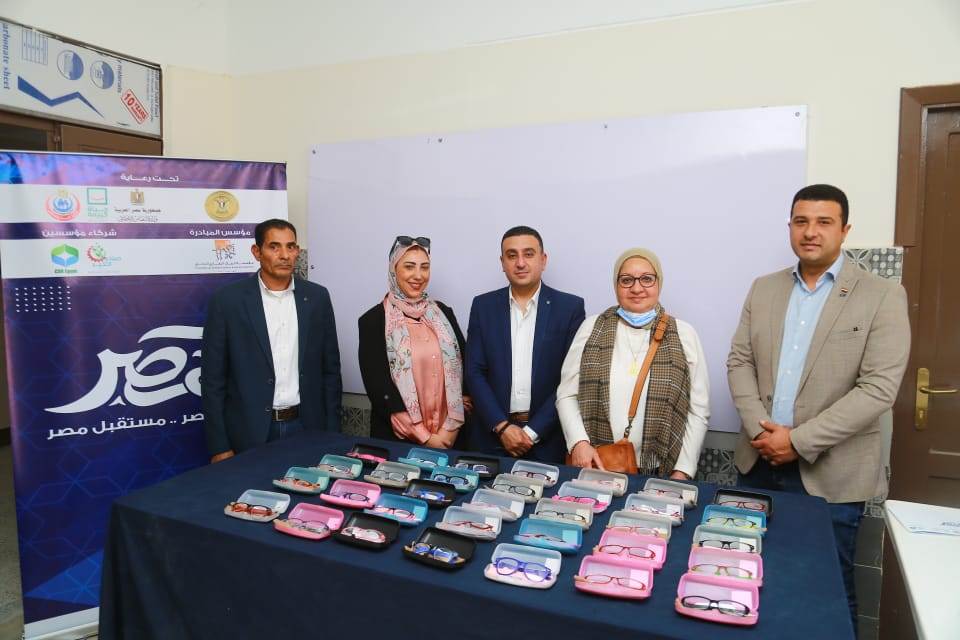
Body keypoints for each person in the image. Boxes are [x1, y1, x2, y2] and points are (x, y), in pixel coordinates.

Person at [727, 184, 910, 633]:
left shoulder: (882, 295)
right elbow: (739, 362)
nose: (811, 232)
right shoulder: (764, 288)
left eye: (824, 222)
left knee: (827, 592)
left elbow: (878, 390)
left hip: (832, 475)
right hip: (757, 463)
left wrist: (798, 440)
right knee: (744, 580)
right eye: (801, 221)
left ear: (844, 230)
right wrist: (762, 432)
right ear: (790, 226)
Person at [556, 247, 709, 479]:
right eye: (626, 280)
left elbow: (698, 410)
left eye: (647, 279)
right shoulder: (591, 328)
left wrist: (682, 472)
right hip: (596, 464)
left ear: (659, 283)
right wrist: (579, 442)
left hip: (661, 472)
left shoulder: (684, 334)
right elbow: (566, 394)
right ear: (616, 285)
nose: (637, 288)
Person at [201, 219, 342, 462]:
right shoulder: (228, 301)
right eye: (274, 247)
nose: (284, 255)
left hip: (307, 426)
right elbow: (213, 380)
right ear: (257, 252)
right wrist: (219, 446)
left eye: (290, 247)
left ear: (297, 251)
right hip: (250, 431)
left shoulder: (317, 297)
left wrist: (332, 434)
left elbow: (330, 371)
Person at [466, 226, 585, 461]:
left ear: (543, 259)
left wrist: (531, 432)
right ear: (502, 262)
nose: (520, 263)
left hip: (547, 440)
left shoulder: (569, 308)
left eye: (528, 254)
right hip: (490, 437)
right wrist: (501, 427)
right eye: (512, 255)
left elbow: (571, 378)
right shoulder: (483, 306)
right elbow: (474, 372)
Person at [358, 236, 471, 448]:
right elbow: (378, 387)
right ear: (394, 270)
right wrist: (427, 439)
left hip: (451, 437)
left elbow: (466, 369)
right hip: (400, 441)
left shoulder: (444, 313)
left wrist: (449, 431)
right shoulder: (373, 321)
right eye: (409, 267)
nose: (418, 275)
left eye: (424, 267)